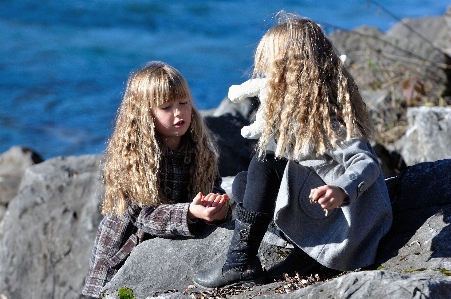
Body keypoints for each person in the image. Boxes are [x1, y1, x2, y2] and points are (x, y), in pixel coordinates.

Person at [193, 12, 392, 289]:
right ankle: (309, 253)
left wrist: (342, 190)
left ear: (296, 72)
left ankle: (240, 263)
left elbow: (365, 162)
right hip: (326, 218)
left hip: (350, 228)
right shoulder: (302, 110)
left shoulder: (329, 116)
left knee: (265, 164)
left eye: (273, 70)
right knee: (242, 184)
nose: (267, 78)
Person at [82, 61, 229, 298]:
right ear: (145, 113)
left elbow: (214, 188)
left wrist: (217, 209)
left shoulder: (200, 149)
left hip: (166, 256)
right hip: (120, 257)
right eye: (166, 107)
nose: (179, 112)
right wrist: (189, 213)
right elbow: (143, 216)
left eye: (183, 103)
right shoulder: (133, 157)